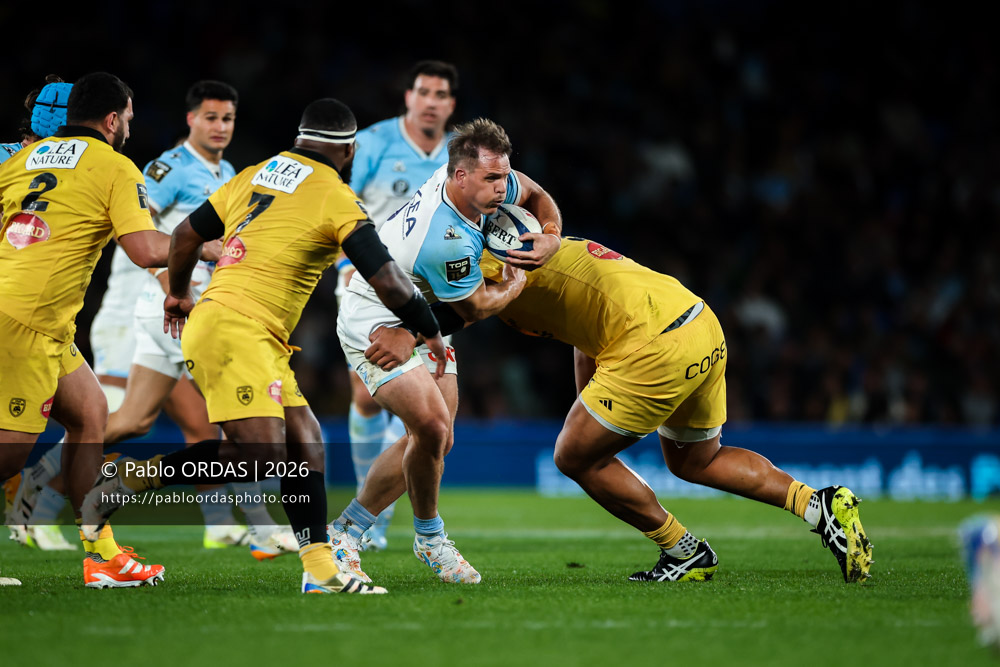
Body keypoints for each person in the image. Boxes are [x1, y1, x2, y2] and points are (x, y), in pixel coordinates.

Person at [82, 98, 449, 596]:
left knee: (306, 445)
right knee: (260, 455)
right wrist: (427, 329)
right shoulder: (335, 195)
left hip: (246, 329)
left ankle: (320, 573)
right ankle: (126, 481)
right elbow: (385, 277)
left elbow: (187, 233)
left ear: (300, 139)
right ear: (350, 150)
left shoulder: (256, 173)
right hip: (238, 328)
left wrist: (178, 291)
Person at [353, 236, 874, 585]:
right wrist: (592, 404)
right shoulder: (553, 245)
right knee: (696, 461)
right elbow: (587, 337)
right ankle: (819, 504)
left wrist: (411, 328)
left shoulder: (492, 262)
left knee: (573, 457)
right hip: (698, 323)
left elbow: (470, 306)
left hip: (652, 347)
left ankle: (683, 550)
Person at [331, 117, 562, 585]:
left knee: (439, 438)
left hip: (423, 314)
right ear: (460, 176)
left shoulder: (474, 181)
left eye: (503, 176)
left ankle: (423, 539)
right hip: (375, 318)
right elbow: (476, 307)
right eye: (491, 178)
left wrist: (552, 236)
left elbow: (537, 197)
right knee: (432, 425)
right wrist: (516, 281)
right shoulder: (446, 240)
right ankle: (351, 534)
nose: (503, 188)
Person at [96, 80, 296, 558]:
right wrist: (176, 292)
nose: (220, 126)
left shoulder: (226, 170)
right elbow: (142, 235)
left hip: (168, 314)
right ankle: (263, 527)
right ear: (191, 119)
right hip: (180, 311)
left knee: (134, 420)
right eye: (211, 117)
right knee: (244, 420)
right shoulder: (168, 169)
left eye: (227, 118)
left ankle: (53, 471)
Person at [0, 71, 170, 587]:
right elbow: (145, 250)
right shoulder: (115, 166)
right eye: (129, 119)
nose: (129, 129)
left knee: (91, 413)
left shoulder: (20, 160)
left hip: (41, 319)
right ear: (113, 118)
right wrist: (207, 245)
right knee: (11, 450)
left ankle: (101, 555)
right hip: (27, 320)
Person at [340, 60, 459, 551]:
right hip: (366, 281)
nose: (431, 101)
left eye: (441, 94)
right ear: (408, 96)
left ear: (451, 105)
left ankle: (377, 512)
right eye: (424, 91)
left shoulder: (459, 153)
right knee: (370, 397)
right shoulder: (372, 143)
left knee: (433, 416)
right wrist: (347, 262)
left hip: (429, 289)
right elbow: (338, 200)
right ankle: (374, 517)